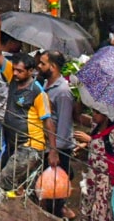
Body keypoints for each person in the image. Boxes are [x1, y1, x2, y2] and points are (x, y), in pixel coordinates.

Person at [0, 20, 56, 192]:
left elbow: (47, 121)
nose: (16, 73)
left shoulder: (37, 92)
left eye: (20, 71)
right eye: (14, 70)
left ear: (30, 71)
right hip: (13, 141)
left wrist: (54, 150)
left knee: (7, 178)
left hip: (30, 145)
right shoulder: (12, 78)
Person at [75, 107, 114, 221]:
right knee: (86, 208)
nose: (94, 114)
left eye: (97, 112)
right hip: (92, 177)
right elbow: (78, 117)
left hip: (107, 181)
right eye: (93, 111)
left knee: (102, 213)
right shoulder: (95, 127)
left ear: (106, 115)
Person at [37, 51, 75, 218]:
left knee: (55, 194)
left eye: (43, 63)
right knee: (47, 190)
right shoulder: (45, 85)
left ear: (52, 66)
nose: (39, 66)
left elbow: (65, 125)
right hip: (47, 145)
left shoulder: (63, 91)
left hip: (58, 149)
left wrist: (55, 151)